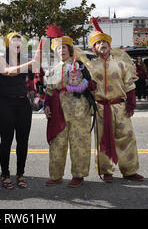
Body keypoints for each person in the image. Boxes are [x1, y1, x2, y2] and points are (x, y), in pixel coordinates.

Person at [80, 17, 143, 183]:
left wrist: (131, 103)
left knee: (127, 138)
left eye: (104, 41)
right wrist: (89, 86)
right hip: (101, 109)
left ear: (109, 44)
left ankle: (129, 171)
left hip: (120, 107)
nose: (102, 44)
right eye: (98, 43)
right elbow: (85, 86)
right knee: (103, 140)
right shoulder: (91, 66)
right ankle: (106, 171)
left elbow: (129, 85)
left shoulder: (122, 63)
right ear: (94, 48)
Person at [43, 31, 96, 188]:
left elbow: (92, 85)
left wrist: (83, 81)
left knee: (79, 142)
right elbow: (49, 92)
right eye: (59, 48)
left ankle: (78, 175)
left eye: (64, 48)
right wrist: (46, 106)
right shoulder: (53, 69)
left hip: (80, 111)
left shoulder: (80, 65)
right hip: (58, 110)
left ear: (70, 50)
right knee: (57, 143)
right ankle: (56, 175)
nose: (62, 51)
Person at [0, 32, 38, 189]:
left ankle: (20, 174)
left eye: (20, 40)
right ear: (7, 44)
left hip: (22, 103)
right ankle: (5, 174)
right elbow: (8, 72)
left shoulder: (25, 60)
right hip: (4, 104)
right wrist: (28, 64)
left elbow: (30, 79)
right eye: (14, 40)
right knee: (6, 140)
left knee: (23, 141)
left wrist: (36, 64)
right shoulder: (0, 58)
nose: (17, 43)